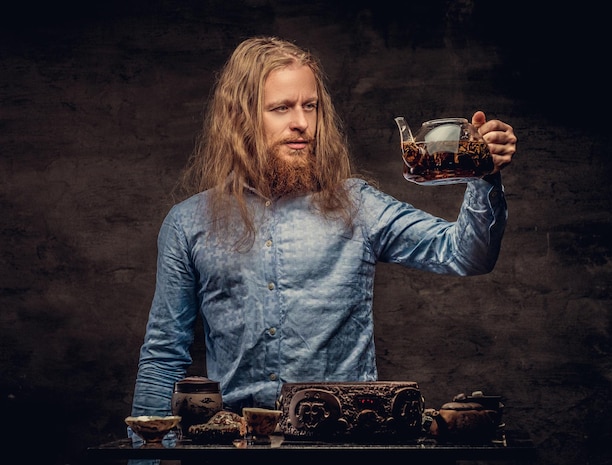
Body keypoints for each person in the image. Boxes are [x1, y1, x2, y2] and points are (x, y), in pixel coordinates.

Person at [129, 36, 516, 437]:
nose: (302, 123)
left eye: (309, 106)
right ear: (240, 118)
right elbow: (162, 357)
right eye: (281, 108)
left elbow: (467, 254)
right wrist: (149, 457)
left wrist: (484, 178)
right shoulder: (187, 223)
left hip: (345, 449)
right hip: (238, 449)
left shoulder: (359, 206)